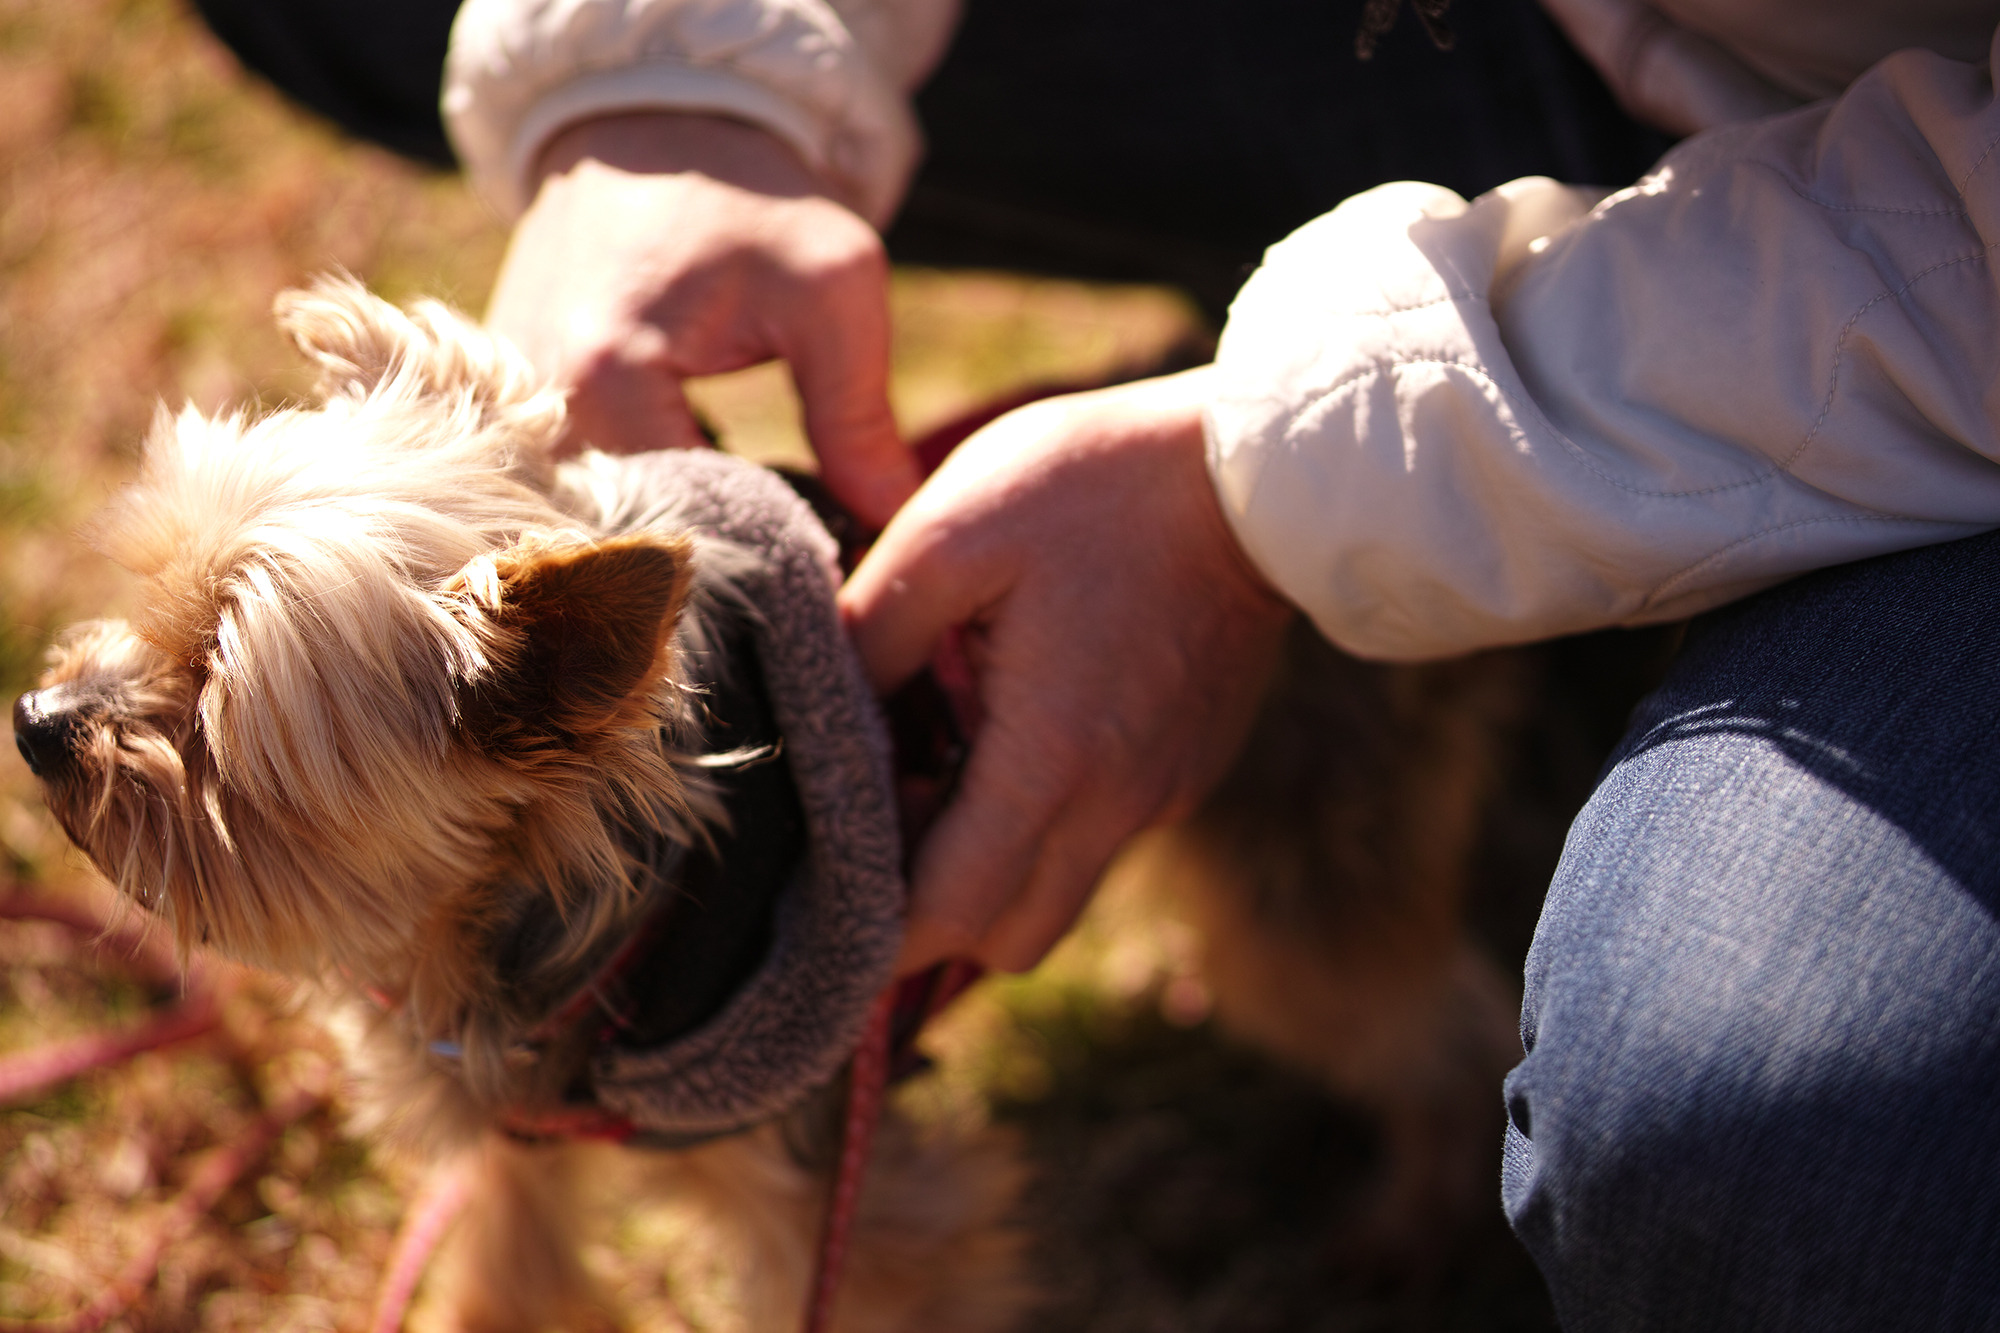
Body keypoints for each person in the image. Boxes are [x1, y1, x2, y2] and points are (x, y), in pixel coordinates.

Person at [192, 1, 2000, 1326]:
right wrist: (671, 81)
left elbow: (891, 1241)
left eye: (216, 732)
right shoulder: (451, 901)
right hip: (1578, 50)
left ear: (542, 708)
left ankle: (1453, 1110)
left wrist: (1277, 489)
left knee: (1703, 1122)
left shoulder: (683, 949)